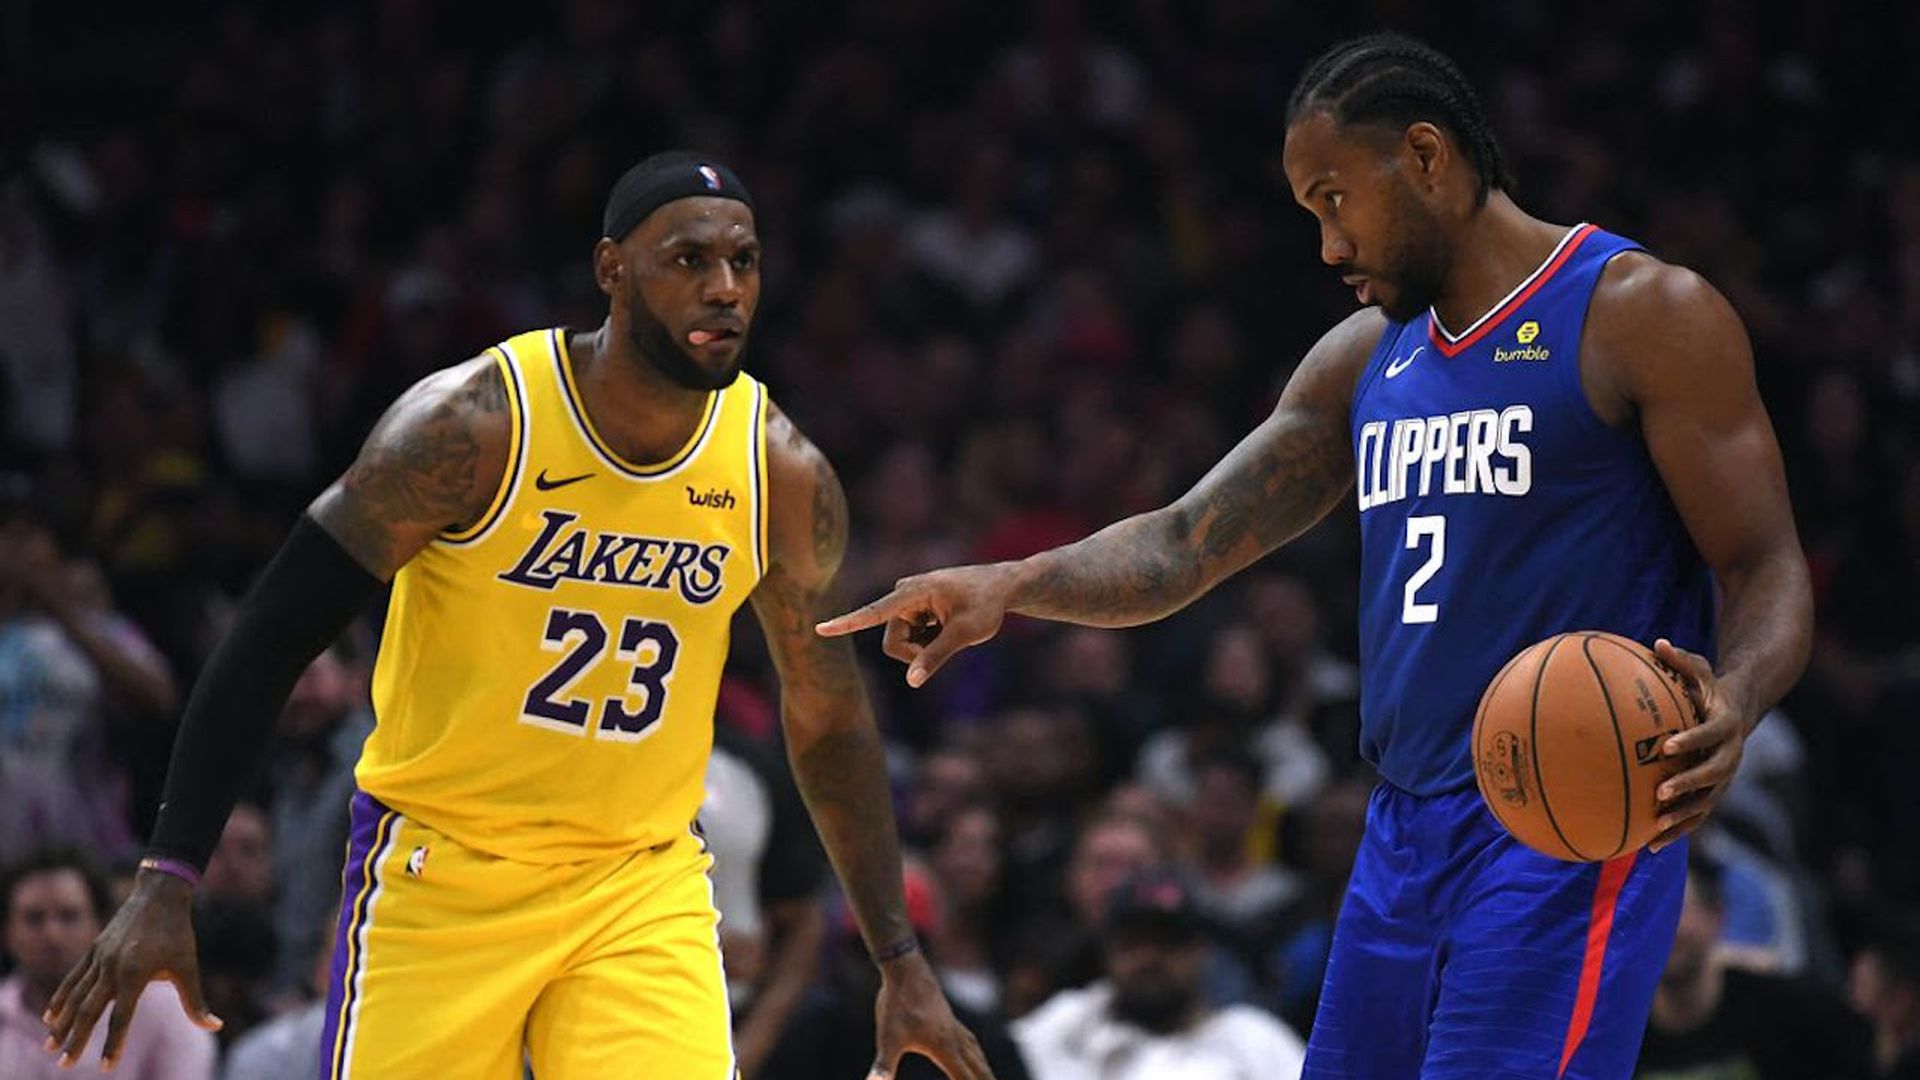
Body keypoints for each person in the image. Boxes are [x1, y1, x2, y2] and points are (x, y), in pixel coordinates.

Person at [820, 33, 1814, 1078]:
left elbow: (1767, 565)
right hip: (1399, 833)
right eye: (1311, 213)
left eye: (1335, 199)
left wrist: (1733, 701)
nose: (1329, 245)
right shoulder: (1364, 359)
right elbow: (1182, 544)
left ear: (1427, 157)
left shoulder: (1639, 315)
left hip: (1569, 824)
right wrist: (1010, 586)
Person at [42, 151, 993, 1080]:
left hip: (639, 883)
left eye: (743, 261)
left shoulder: (779, 472)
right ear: (611, 271)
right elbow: (268, 637)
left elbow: (827, 716)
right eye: (689, 259)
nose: (724, 288)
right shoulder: (471, 427)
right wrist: (167, 876)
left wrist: (899, 962)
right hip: (444, 874)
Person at [1011, 869, 1306, 1079]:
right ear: (1108, 951)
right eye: (1133, 943)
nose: (1148, 957)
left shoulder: (1254, 1038)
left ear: (1199, 951)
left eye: (1167, 943)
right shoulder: (1066, 1022)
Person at [1634, 850, 1871, 1079]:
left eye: (1675, 911)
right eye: (1647, 916)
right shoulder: (1615, 1025)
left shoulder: (1784, 1008)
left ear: (1716, 917)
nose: (1660, 930)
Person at [0, 847, 215, 1079]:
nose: (53, 934)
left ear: (103, 926)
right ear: (7, 931)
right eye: (34, 919)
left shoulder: (163, 1010)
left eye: (69, 916)